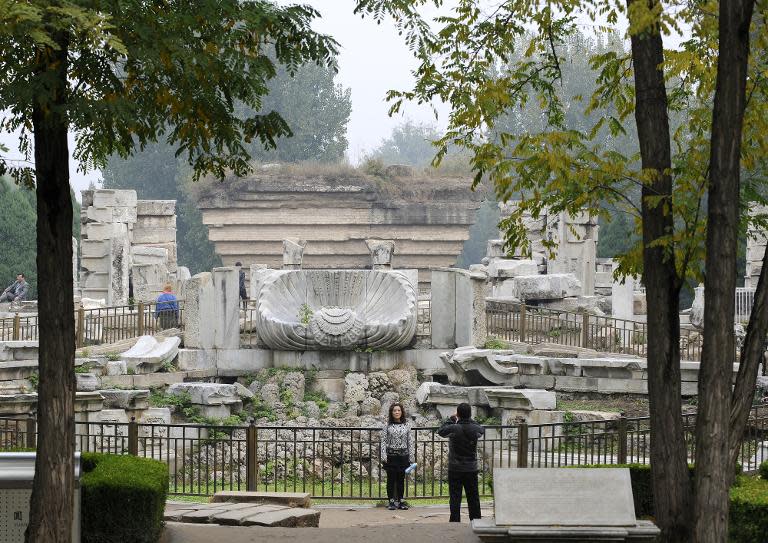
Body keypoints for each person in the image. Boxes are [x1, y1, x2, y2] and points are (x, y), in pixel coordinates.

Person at [438, 402, 485, 523]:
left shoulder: (454, 428)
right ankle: (476, 521)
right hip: (471, 467)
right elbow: (481, 429)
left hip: (455, 467)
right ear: (470, 414)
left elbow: (441, 431)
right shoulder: (475, 428)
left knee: (455, 496)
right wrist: (470, 420)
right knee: (473, 496)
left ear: (457, 414)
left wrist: (451, 419)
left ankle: (454, 521)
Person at [380, 403, 413, 510]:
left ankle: (401, 501)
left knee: (400, 479)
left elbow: (410, 442)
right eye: (394, 411)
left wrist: (411, 456)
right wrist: (383, 454)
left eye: (399, 410)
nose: (397, 412)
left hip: (403, 456)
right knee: (391, 479)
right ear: (391, 412)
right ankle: (391, 501)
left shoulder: (407, 425)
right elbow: (383, 441)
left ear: (402, 412)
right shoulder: (387, 425)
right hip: (391, 456)